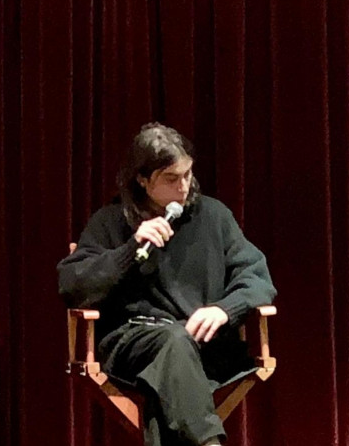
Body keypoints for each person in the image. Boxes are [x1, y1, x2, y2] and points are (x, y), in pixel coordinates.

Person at [58, 122, 276, 446]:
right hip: (135, 343)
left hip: (204, 348)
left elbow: (257, 278)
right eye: (171, 179)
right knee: (173, 342)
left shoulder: (214, 216)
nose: (184, 186)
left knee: (167, 385)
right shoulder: (112, 221)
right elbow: (72, 285)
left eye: (188, 174)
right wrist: (130, 250)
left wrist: (224, 309)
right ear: (143, 180)